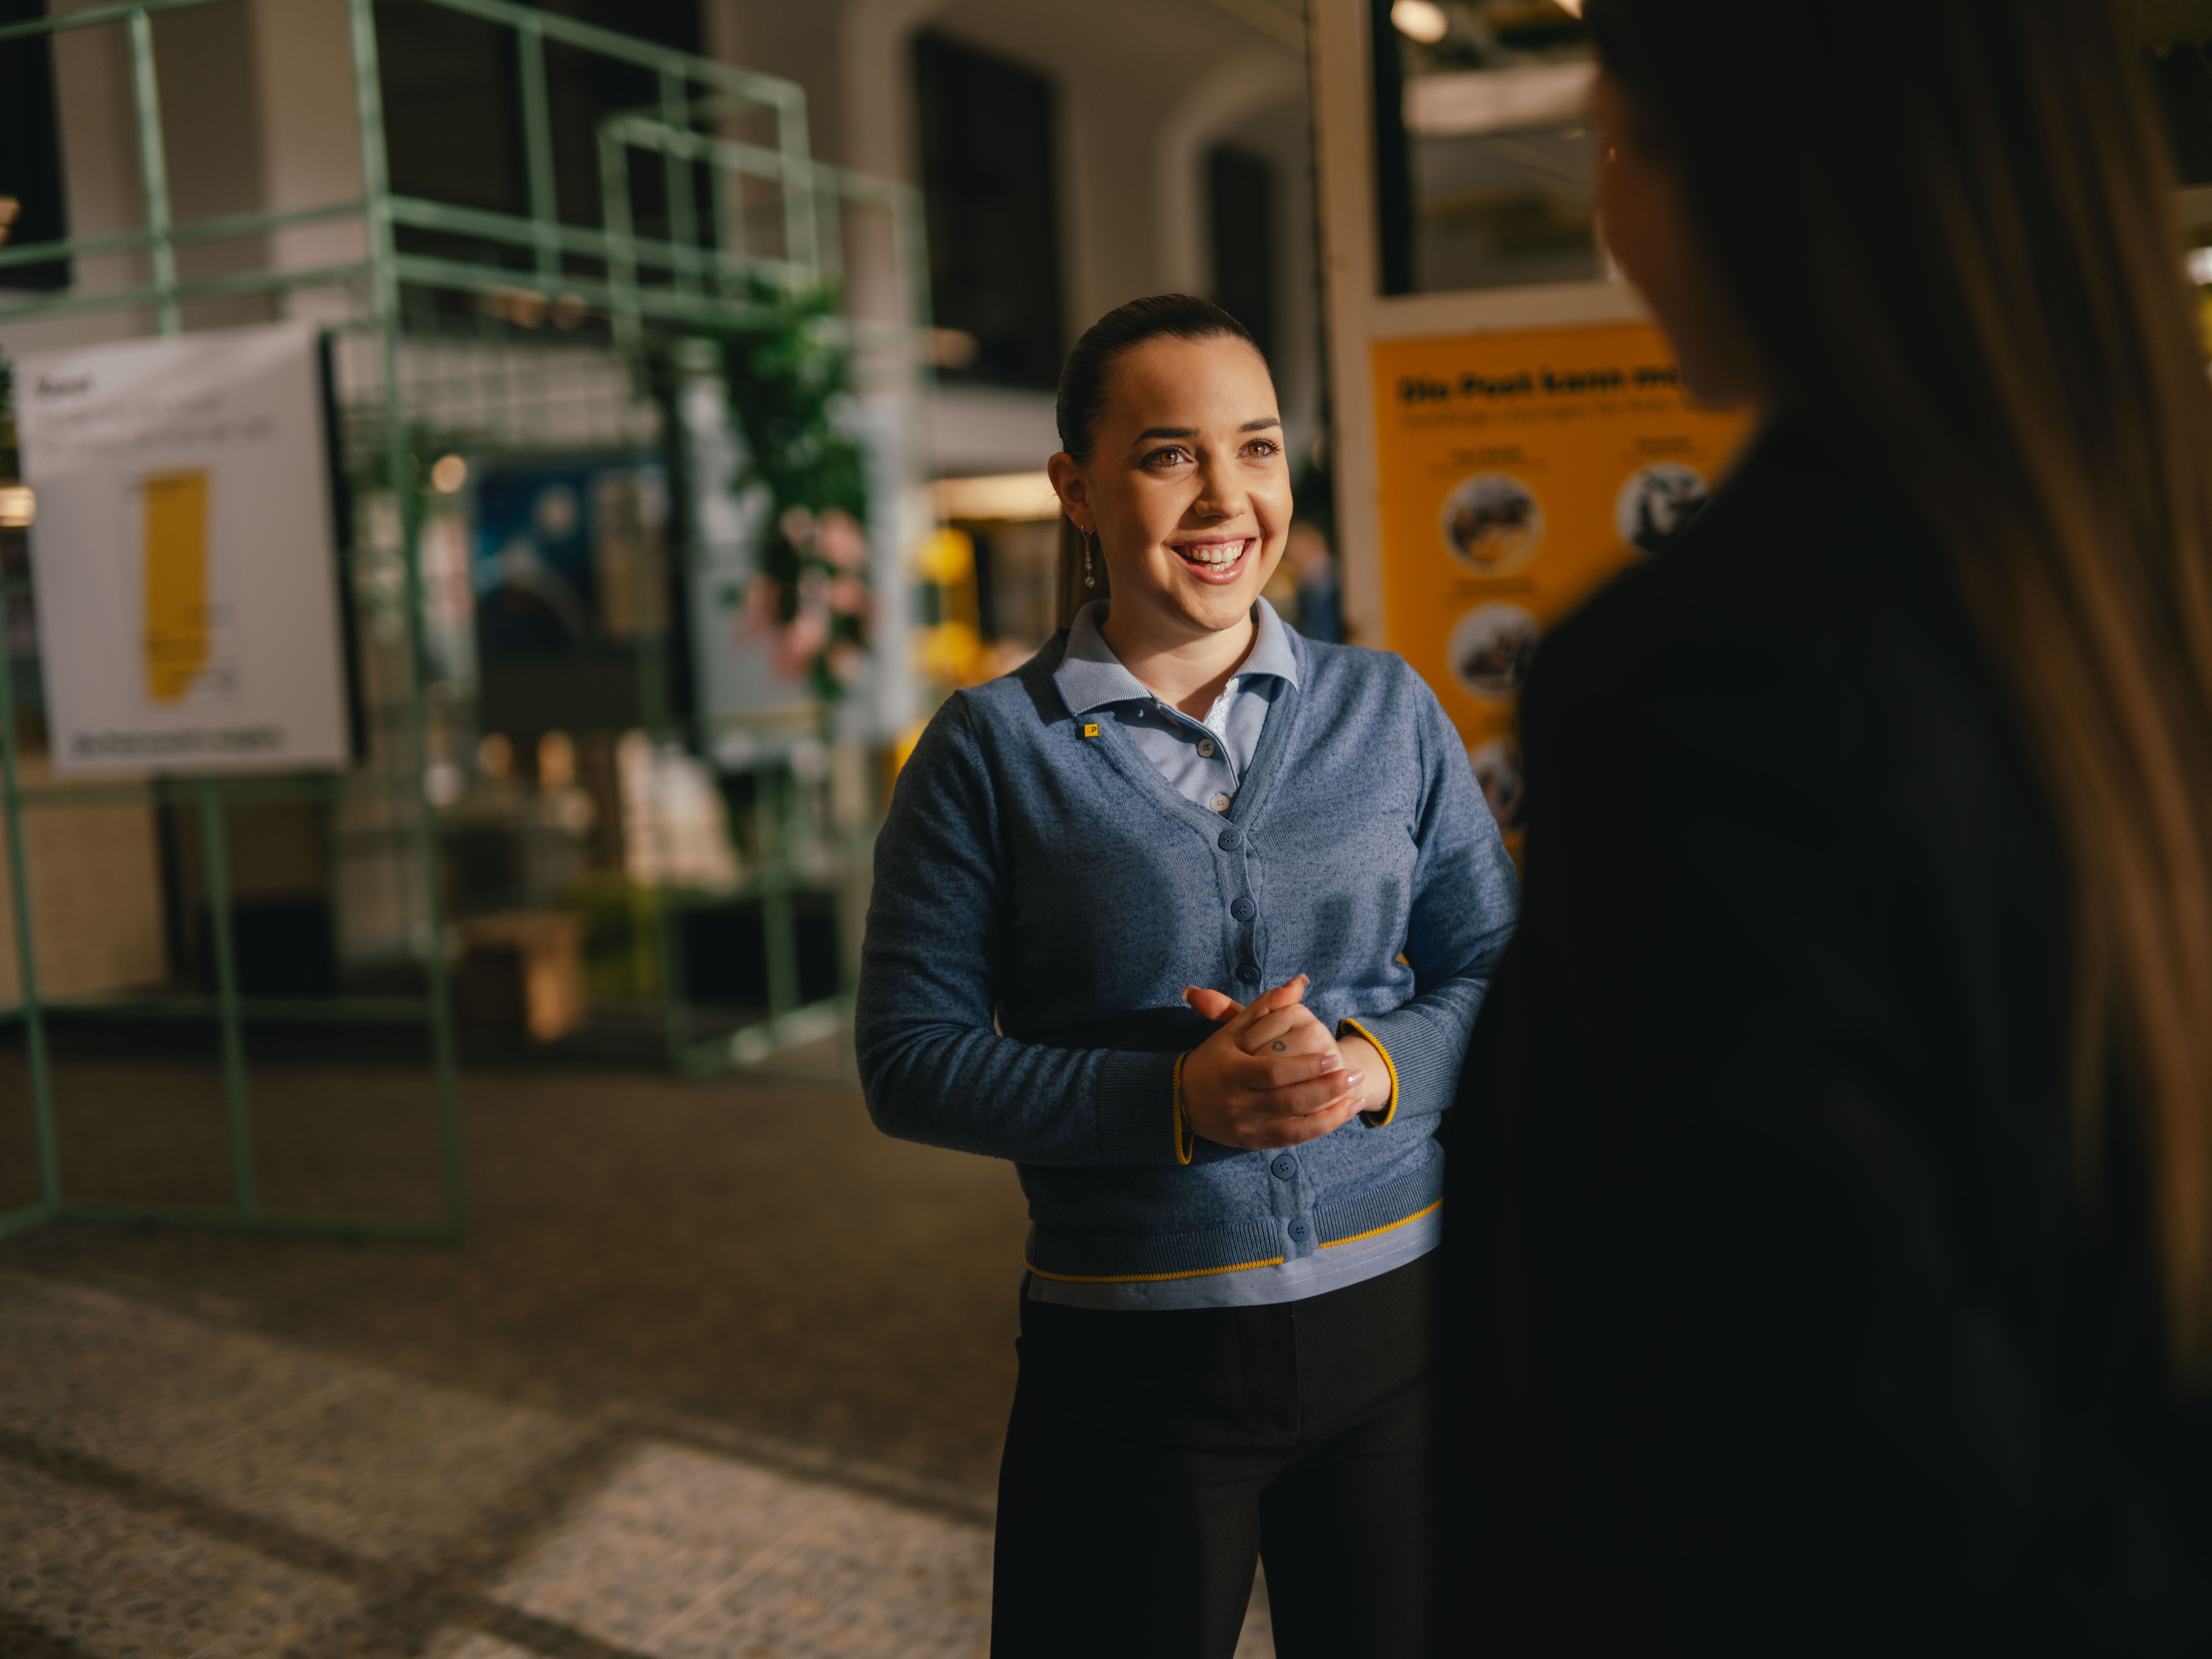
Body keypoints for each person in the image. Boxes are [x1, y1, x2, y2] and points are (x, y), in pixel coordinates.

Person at [1437, 2, 2212, 1654]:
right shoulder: (2135, 610)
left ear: (1778, 177)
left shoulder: (1724, 677)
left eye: (1621, 140)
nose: (1606, 210)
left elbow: (1826, 1421)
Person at [857, 294, 1519, 1658]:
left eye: (1259, 449)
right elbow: (908, 1057)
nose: (1228, 497)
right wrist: (1174, 1103)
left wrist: (1377, 1067)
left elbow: (1500, 968)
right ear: (1076, 490)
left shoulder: (1387, 708)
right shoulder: (989, 753)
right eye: (1170, 454)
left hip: (1402, 1338)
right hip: (1130, 1366)